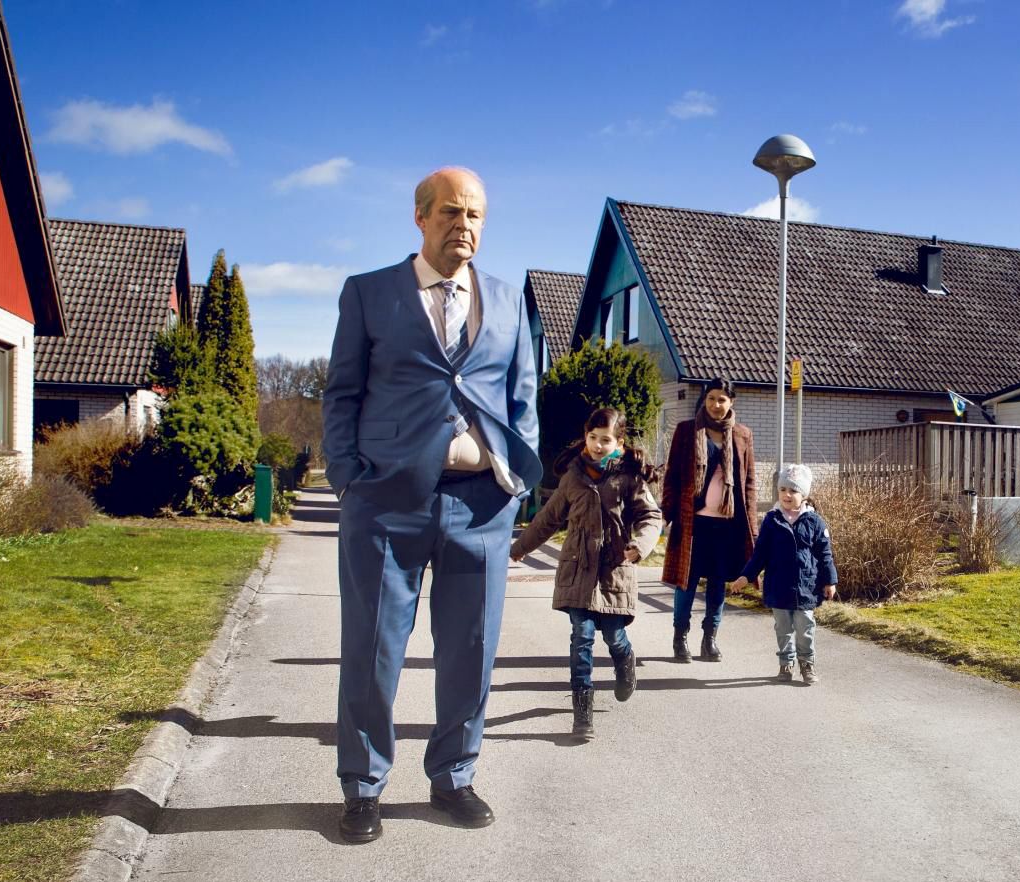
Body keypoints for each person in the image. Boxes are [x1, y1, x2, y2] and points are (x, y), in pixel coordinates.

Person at [321, 167, 542, 843]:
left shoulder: (508, 299)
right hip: (385, 502)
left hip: (481, 507)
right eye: (450, 211)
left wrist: (515, 482)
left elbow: (524, 399)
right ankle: (363, 786)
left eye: (474, 214)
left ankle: (453, 777)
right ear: (420, 217)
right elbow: (341, 394)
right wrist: (347, 478)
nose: (463, 225)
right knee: (373, 650)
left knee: (471, 652)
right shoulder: (368, 293)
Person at [509, 408, 662, 741]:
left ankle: (625, 660)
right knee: (582, 638)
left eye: (605, 439)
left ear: (619, 442)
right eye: (593, 437)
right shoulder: (573, 477)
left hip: (614, 573)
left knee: (614, 637)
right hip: (578, 571)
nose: (597, 445)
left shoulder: (629, 478)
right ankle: (582, 715)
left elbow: (651, 516)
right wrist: (520, 547)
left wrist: (641, 545)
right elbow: (548, 518)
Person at [660, 376, 757, 663]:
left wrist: (752, 526)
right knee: (686, 583)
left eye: (722, 399)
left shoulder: (742, 435)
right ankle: (680, 637)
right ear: (705, 400)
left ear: (731, 402)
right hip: (693, 524)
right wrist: (667, 515)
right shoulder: (687, 430)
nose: (716, 404)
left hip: (727, 525)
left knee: (717, 584)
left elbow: (749, 484)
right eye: (711, 398)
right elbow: (672, 476)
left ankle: (709, 638)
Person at [730, 464, 837, 685]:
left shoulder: (815, 521)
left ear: (804, 494)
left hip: (806, 587)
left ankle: (807, 664)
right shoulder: (772, 520)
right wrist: (746, 576)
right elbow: (760, 554)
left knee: (805, 626)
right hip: (778, 586)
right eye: (783, 489)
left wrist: (830, 581)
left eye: (793, 490)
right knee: (783, 628)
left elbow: (825, 554)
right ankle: (786, 664)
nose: (787, 494)